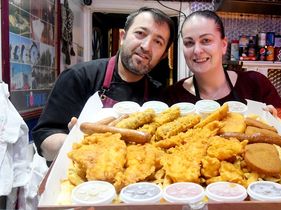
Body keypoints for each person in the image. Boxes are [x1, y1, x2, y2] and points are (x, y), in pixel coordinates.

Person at [32, 7, 175, 162]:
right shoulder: (79, 77)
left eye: (158, 42)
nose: (146, 46)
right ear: (123, 37)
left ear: (163, 56)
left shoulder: (160, 96)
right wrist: (76, 141)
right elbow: (44, 140)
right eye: (140, 33)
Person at [163, 10, 281, 142]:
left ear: (223, 45)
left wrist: (274, 125)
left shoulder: (255, 84)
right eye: (189, 43)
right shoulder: (172, 96)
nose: (197, 50)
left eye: (206, 40)